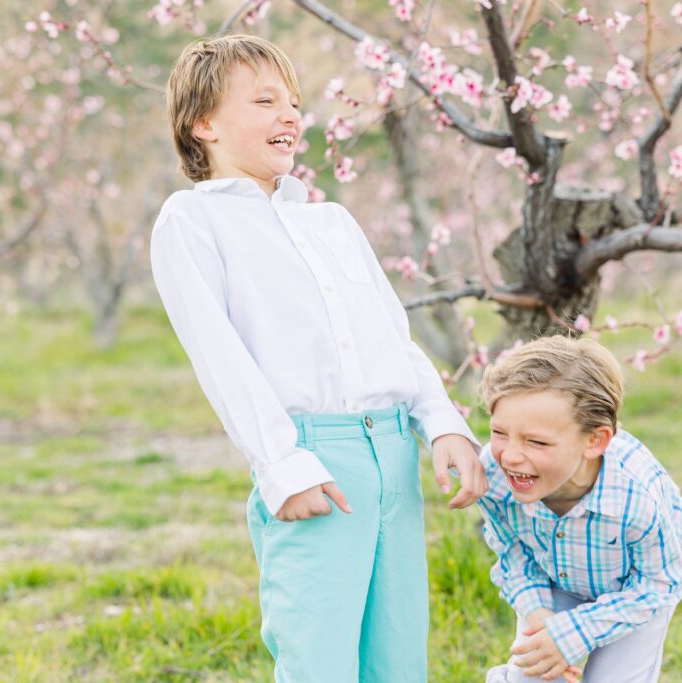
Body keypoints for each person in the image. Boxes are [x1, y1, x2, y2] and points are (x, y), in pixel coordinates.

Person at [150, 34, 487, 682]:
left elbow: (393, 337)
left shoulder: (330, 220)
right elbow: (221, 358)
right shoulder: (192, 222)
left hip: (393, 452)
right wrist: (282, 463)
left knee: (398, 658)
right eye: (265, 100)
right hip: (315, 459)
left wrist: (442, 424)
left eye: (294, 102)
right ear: (204, 123)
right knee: (320, 660)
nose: (289, 116)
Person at [477, 335, 682, 683]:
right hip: (552, 583)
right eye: (500, 432)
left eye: (536, 441)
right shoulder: (493, 475)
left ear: (595, 441)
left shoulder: (636, 497)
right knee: (532, 676)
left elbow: (660, 584)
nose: (510, 456)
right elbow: (512, 551)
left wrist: (577, 631)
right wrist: (541, 617)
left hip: (631, 595)